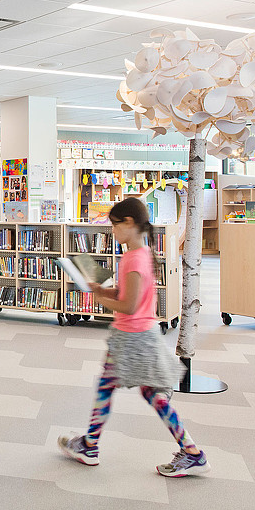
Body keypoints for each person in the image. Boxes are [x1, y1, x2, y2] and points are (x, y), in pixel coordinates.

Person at [58, 198, 210, 478]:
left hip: (131, 338)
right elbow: (129, 294)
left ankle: (90, 446)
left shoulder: (134, 258)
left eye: (115, 225)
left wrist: (100, 300)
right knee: (147, 393)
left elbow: (128, 306)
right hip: (141, 335)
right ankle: (191, 452)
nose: (112, 231)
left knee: (108, 389)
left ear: (129, 223)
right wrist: (101, 289)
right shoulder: (141, 253)